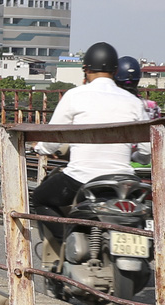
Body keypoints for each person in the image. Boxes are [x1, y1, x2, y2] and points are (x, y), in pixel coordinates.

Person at [29, 42, 149, 273]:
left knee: (41, 198)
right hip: (123, 180)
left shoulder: (75, 96)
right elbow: (146, 150)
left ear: (86, 70)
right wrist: (134, 154)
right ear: (115, 71)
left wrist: (40, 148)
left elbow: (52, 138)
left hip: (81, 178)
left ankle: (69, 240)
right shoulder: (134, 102)